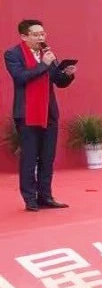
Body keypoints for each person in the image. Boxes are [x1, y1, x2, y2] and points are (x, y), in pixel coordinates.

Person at [5, 19, 76, 211]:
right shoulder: (13, 54)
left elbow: (58, 81)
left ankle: (46, 196)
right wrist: (43, 65)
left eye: (43, 34)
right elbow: (20, 77)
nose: (41, 38)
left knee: (47, 157)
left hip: (49, 113)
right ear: (24, 36)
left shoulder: (48, 54)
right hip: (27, 113)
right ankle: (30, 199)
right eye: (36, 34)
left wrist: (67, 74)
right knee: (29, 158)